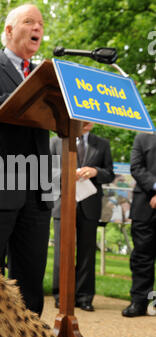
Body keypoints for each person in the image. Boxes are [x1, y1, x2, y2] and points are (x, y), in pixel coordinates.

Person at [0, 4, 52, 316]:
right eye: (29, 22)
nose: (37, 28)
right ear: (9, 30)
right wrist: (32, 96)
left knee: (30, 279)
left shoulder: (47, 77)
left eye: (41, 24)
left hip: (37, 192)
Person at [51, 122, 115, 311]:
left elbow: (110, 173)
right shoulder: (56, 142)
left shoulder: (102, 144)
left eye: (90, 120)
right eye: (82, 120)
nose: (86, 124)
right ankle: (60, 295)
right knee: (61, 252)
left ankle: (84, 297)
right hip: (63, 203)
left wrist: (96, 172)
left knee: (87, 252)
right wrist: (66, 173)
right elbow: (47, 172)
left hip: (90, 205)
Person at [122, 133, 156, 317]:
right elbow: (136, 167)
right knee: (142, 257)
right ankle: (140, 303)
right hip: (144, 208)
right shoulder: (142, 138)